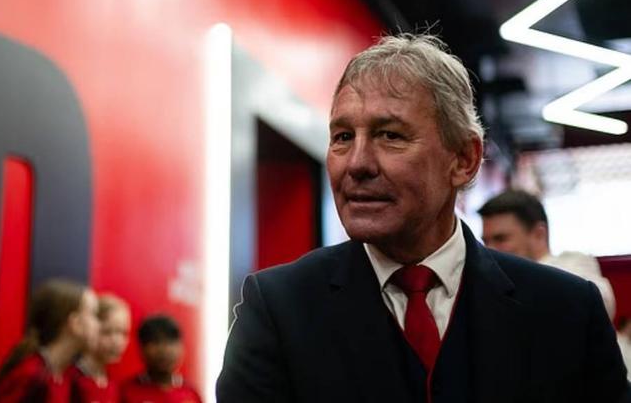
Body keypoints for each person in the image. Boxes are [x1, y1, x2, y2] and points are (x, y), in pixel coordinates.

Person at [216, 33, 630, 403]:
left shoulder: (567, 311)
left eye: (390, 135)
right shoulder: (277, 310)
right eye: (343, 137)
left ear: (464, 159)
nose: (356, 163)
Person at [478, 189, 616, 319]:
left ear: (539, 235)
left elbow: (596, 308)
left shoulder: (574, 264)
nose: (489, 249)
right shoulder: (489, 282)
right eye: (485, 241)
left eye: (501, 239)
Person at [0, 279, 99, 402]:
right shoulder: (31, 374)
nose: (99, 325)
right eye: (94, 315)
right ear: (75, 324)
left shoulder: (67, 376)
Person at [121, 315, 201, 403]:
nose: (165, 350)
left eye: (171, 342)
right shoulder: (128, 392)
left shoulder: (190, 393)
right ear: (142, 348)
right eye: (156, 342)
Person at [71, 294, 131, 402]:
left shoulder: (112, 383)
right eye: (107, 332)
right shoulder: (73, 379)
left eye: (123, 333)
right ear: (91, 328)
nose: (116, 341)